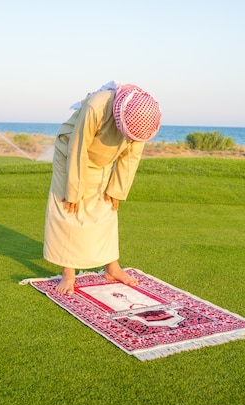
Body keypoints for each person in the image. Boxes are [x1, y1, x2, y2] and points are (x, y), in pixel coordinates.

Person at [43, 82, 162, 295]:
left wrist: (117, 189)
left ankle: (112, 268)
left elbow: (131, 156)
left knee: (107, 205)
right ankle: (68, 272)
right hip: (71, 153)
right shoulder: (96, 106)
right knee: (70, 205)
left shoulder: (143, 120)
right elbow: (77, 147)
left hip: (103, 158)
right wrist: (74, 189)